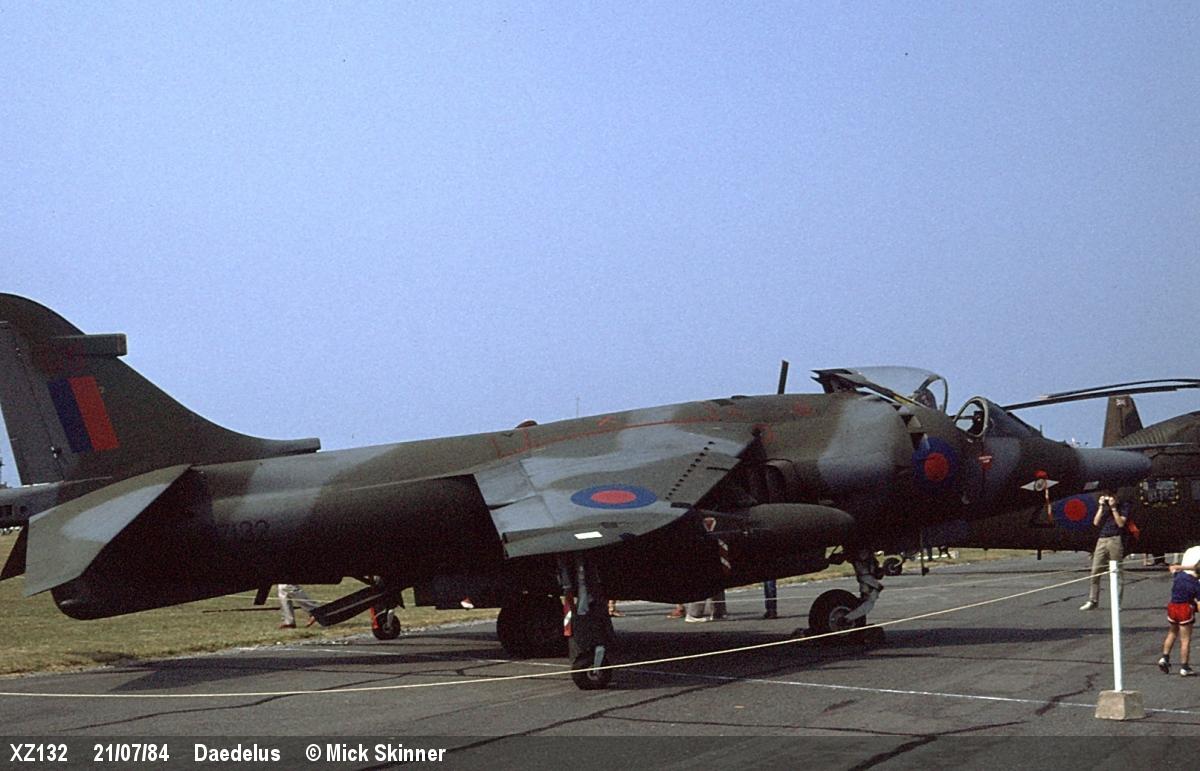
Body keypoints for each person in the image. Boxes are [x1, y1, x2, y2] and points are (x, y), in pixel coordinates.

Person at [1080, 491, 1129, 611]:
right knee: (1095, 571)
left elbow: (1121, 523)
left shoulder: (1123, 506)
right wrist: (1101, 507)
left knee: (1117, 571)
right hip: (1102, 539)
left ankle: (1117, 603)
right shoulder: (1103, 507)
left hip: (1115, 539)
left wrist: (1114, 508)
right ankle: (1093, 600)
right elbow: (1096, 522)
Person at [1158, 546, 1200, 676]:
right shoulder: (1196, 585)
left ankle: (1164, 657)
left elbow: (1172, 568)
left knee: (1172, 632)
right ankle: (1184, 667)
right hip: (1185, 609)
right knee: (1185, 639)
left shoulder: (1179, 576)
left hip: (1173, 606)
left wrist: (1181, 567)